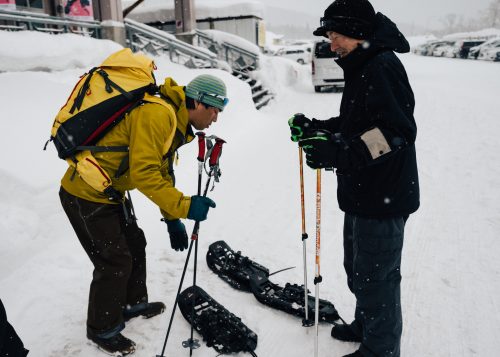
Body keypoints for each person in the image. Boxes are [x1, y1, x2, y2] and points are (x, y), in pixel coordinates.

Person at [59, 74, 228, 355]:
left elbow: (162, 171)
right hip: (85, 194)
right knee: (114, 260)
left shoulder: (173, 120)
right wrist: (184, 207)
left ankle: (131, 304)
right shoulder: (157, 115)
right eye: (214, 110)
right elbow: (144, 173)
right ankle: (102, 328)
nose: (215, 119)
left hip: (109, 191)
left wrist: (172, 217)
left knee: (135, 244)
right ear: (197, 103)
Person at [289, 0, 419, 356]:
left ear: (358, 33)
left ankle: (380, 348)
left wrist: (340, 154)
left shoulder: (381, 66)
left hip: (384, 195)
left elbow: (395, 133)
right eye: (329, 36)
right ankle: (366, 324)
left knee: (377, 278)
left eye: (336, 36)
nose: (332, 45)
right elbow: (357, 125)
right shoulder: (362, 65)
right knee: (359, 270)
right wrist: (318, 129)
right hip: (363, 193)